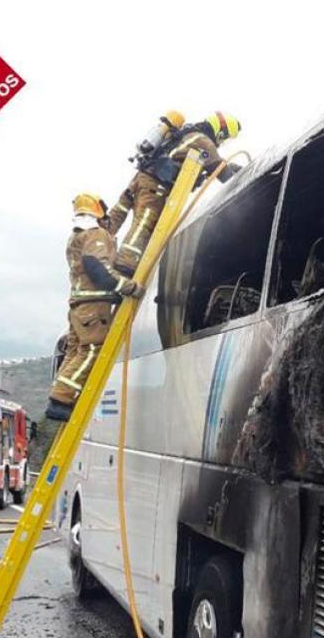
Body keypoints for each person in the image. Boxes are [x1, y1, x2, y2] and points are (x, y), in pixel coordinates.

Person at [105, 111, 244, 275]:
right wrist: (243, 173)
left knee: (117, 214)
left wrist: (232, 166)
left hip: (141, 178)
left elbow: (217, 165)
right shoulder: (205, 143)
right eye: (225, 138)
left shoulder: (189, 134)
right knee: (145, 224)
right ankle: (125, 267)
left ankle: (98, 250)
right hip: (155, 186)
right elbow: (222, 172)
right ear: (221, 133)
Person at [45, 193, 145, 421]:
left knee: (75, 351)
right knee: (93, 350)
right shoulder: (95, 235)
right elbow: (97, 268)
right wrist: (129, 286)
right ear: (98, 211)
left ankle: (60, 399)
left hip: (80, 306)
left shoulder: (77, 236)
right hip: (94, 305)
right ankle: (61, 399)